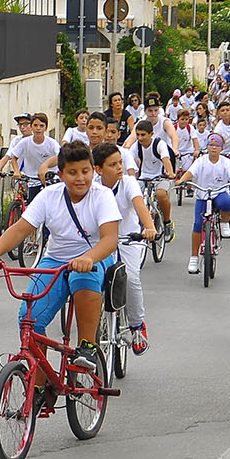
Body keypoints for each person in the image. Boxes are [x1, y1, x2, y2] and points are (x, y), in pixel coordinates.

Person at [0, 142, 119, 374]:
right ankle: (41, 383)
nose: (80, 178)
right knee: (29, 320)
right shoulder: (49, 196)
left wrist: (88, 258)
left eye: (85, 171)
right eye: (73, 172)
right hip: (55, 261)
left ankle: (87, 347)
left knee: (81, 280)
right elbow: (19, 229)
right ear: (61, 174)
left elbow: (109, 239)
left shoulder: (102, 196)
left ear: (93, 171)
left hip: (94, 258)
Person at [93, 142, 156, 353]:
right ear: (99, 169)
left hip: (129, 239)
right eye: (113, 165)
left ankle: (137, 325)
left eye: (120, 162)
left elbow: (139, 205)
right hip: (100, 240)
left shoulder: (129, 183)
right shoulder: (92, 186)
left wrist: (149, 227)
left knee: (131, 278)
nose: (120, 167)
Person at [176, 131, 230, 274]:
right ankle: (194, 257)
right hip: (203, 194)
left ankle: (224, 222)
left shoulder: (226, 162)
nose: (213, 148)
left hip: (219, 192)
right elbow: (191, 172)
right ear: (207, 146)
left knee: (227, 204)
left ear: (222, 148)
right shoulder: (201, 161)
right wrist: (182, 180)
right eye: (211, 145)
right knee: (198, 224)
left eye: (217, 145)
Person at [129, 118, 177, 235]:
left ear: (151, 134)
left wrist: (170, 173)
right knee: (133, 197)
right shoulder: (136, 146)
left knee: (161, 195)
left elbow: (166, 159)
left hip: (160, 176)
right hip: (143, 177)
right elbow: (129, 161)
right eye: (138, 135)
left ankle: (167, 222)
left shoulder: (159, 144)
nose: (140, 138)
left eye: (143, 135)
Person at [0, 112, 60, 197]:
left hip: (50, 178)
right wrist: (16, 171)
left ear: (46, 128)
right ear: (32, 127)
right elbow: (13, 158)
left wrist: (47, 165)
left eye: (41, 126)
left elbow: (61, 156)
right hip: (32, 180)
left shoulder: (52, 143)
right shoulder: (23, 142)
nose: (38, 129)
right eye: (35, 125)